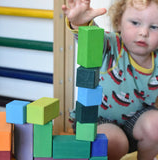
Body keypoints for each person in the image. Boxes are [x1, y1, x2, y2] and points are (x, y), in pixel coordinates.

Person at [62, 0, 158, 160]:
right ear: (119, 21)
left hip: (135, 124)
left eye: (154, 27)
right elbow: (92, 38)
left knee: (156, 125)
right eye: (135, 23)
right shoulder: (112, 44)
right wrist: (81, 23)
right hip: (97, 122)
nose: (143, 32)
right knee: (114, 141)